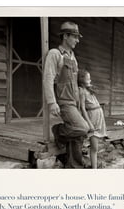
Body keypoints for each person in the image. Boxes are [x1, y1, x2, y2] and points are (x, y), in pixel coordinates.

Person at [43, 21, 90, 169]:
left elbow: (74, 81)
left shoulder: (72, 55)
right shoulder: (54, 54)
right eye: (75, 37)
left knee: (79, 135)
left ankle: (74, 166)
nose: (77, 40)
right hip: (63, 101)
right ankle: (58, 131)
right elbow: (48, 78)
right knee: (82, 128)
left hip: (74, 101)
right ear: (65, 36)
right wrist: (52, 102)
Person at [78, 69, 107, 169]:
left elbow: (97, 89)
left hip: (98, 116)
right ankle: (94, 168)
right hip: (92, 117)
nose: (90, 80)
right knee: (94, 146)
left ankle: (94, 166)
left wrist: (89, 86)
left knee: (96, 146)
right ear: (82, 80)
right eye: (88, 78)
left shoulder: (89, 89)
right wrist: (89, 123)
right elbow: (82, 108)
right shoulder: (81, 91)